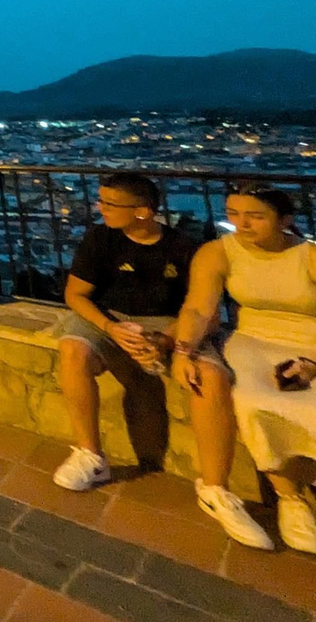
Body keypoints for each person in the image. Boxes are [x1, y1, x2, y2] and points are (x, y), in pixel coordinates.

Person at [49, 174, 244, 517]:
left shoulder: (184, 248)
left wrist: (168, 339)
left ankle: (215, 487)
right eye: (102, 201)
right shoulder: (101, 239)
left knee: (210, 378)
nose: (101, 208)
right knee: (73, 349)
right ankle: (90, 455)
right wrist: (110, 326)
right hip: (110, 319)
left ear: (141, 212)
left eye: (110, 204)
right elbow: (75, 295)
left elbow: (207, 313)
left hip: (170, 321)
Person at [173, 186, 316, 552]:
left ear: (285, 221)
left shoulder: (308, 256)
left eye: (255, 215)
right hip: (251, 339)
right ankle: (291, 500)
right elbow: (198, 308)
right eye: (233, 213)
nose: (241, 223)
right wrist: (183, 350)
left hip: (309, 343)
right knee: (254, 398)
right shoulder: (219, 252)